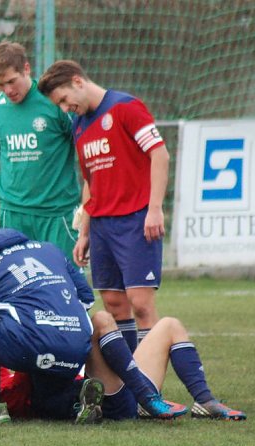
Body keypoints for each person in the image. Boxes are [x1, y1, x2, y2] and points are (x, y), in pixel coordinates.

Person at [0, 228, 188, 425]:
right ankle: (152, 396)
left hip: (32, 346)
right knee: (103, 321)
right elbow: (87, 299)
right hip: (76, 342)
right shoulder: (48, 249)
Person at [38, 60, 170, 351]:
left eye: (63, 99)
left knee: (141, 304)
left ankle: (150, 383)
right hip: (101, 225)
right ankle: (128, 384)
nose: (64, 108)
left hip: (135, 220)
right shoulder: (80, 123)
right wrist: (84, 232)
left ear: (77, 81)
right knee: (113, 305)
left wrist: (154, 208)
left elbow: (159, 155)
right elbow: (90, 181)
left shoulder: (126, 107)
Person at [0, 310, 246, 422]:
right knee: (101, 321)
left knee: (170, 326)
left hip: (118, 385)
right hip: (106, 395)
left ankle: (203, 402)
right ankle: (147, 398)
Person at [0, 41, 81, 262]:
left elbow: (86, 150)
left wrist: (89, 201)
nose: (8, 90)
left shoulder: (56, 103)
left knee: (66, 286)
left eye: (11, 81)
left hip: (58, 215)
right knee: (20, 289)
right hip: (13, 215)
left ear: (26, 69)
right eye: (0, 85)